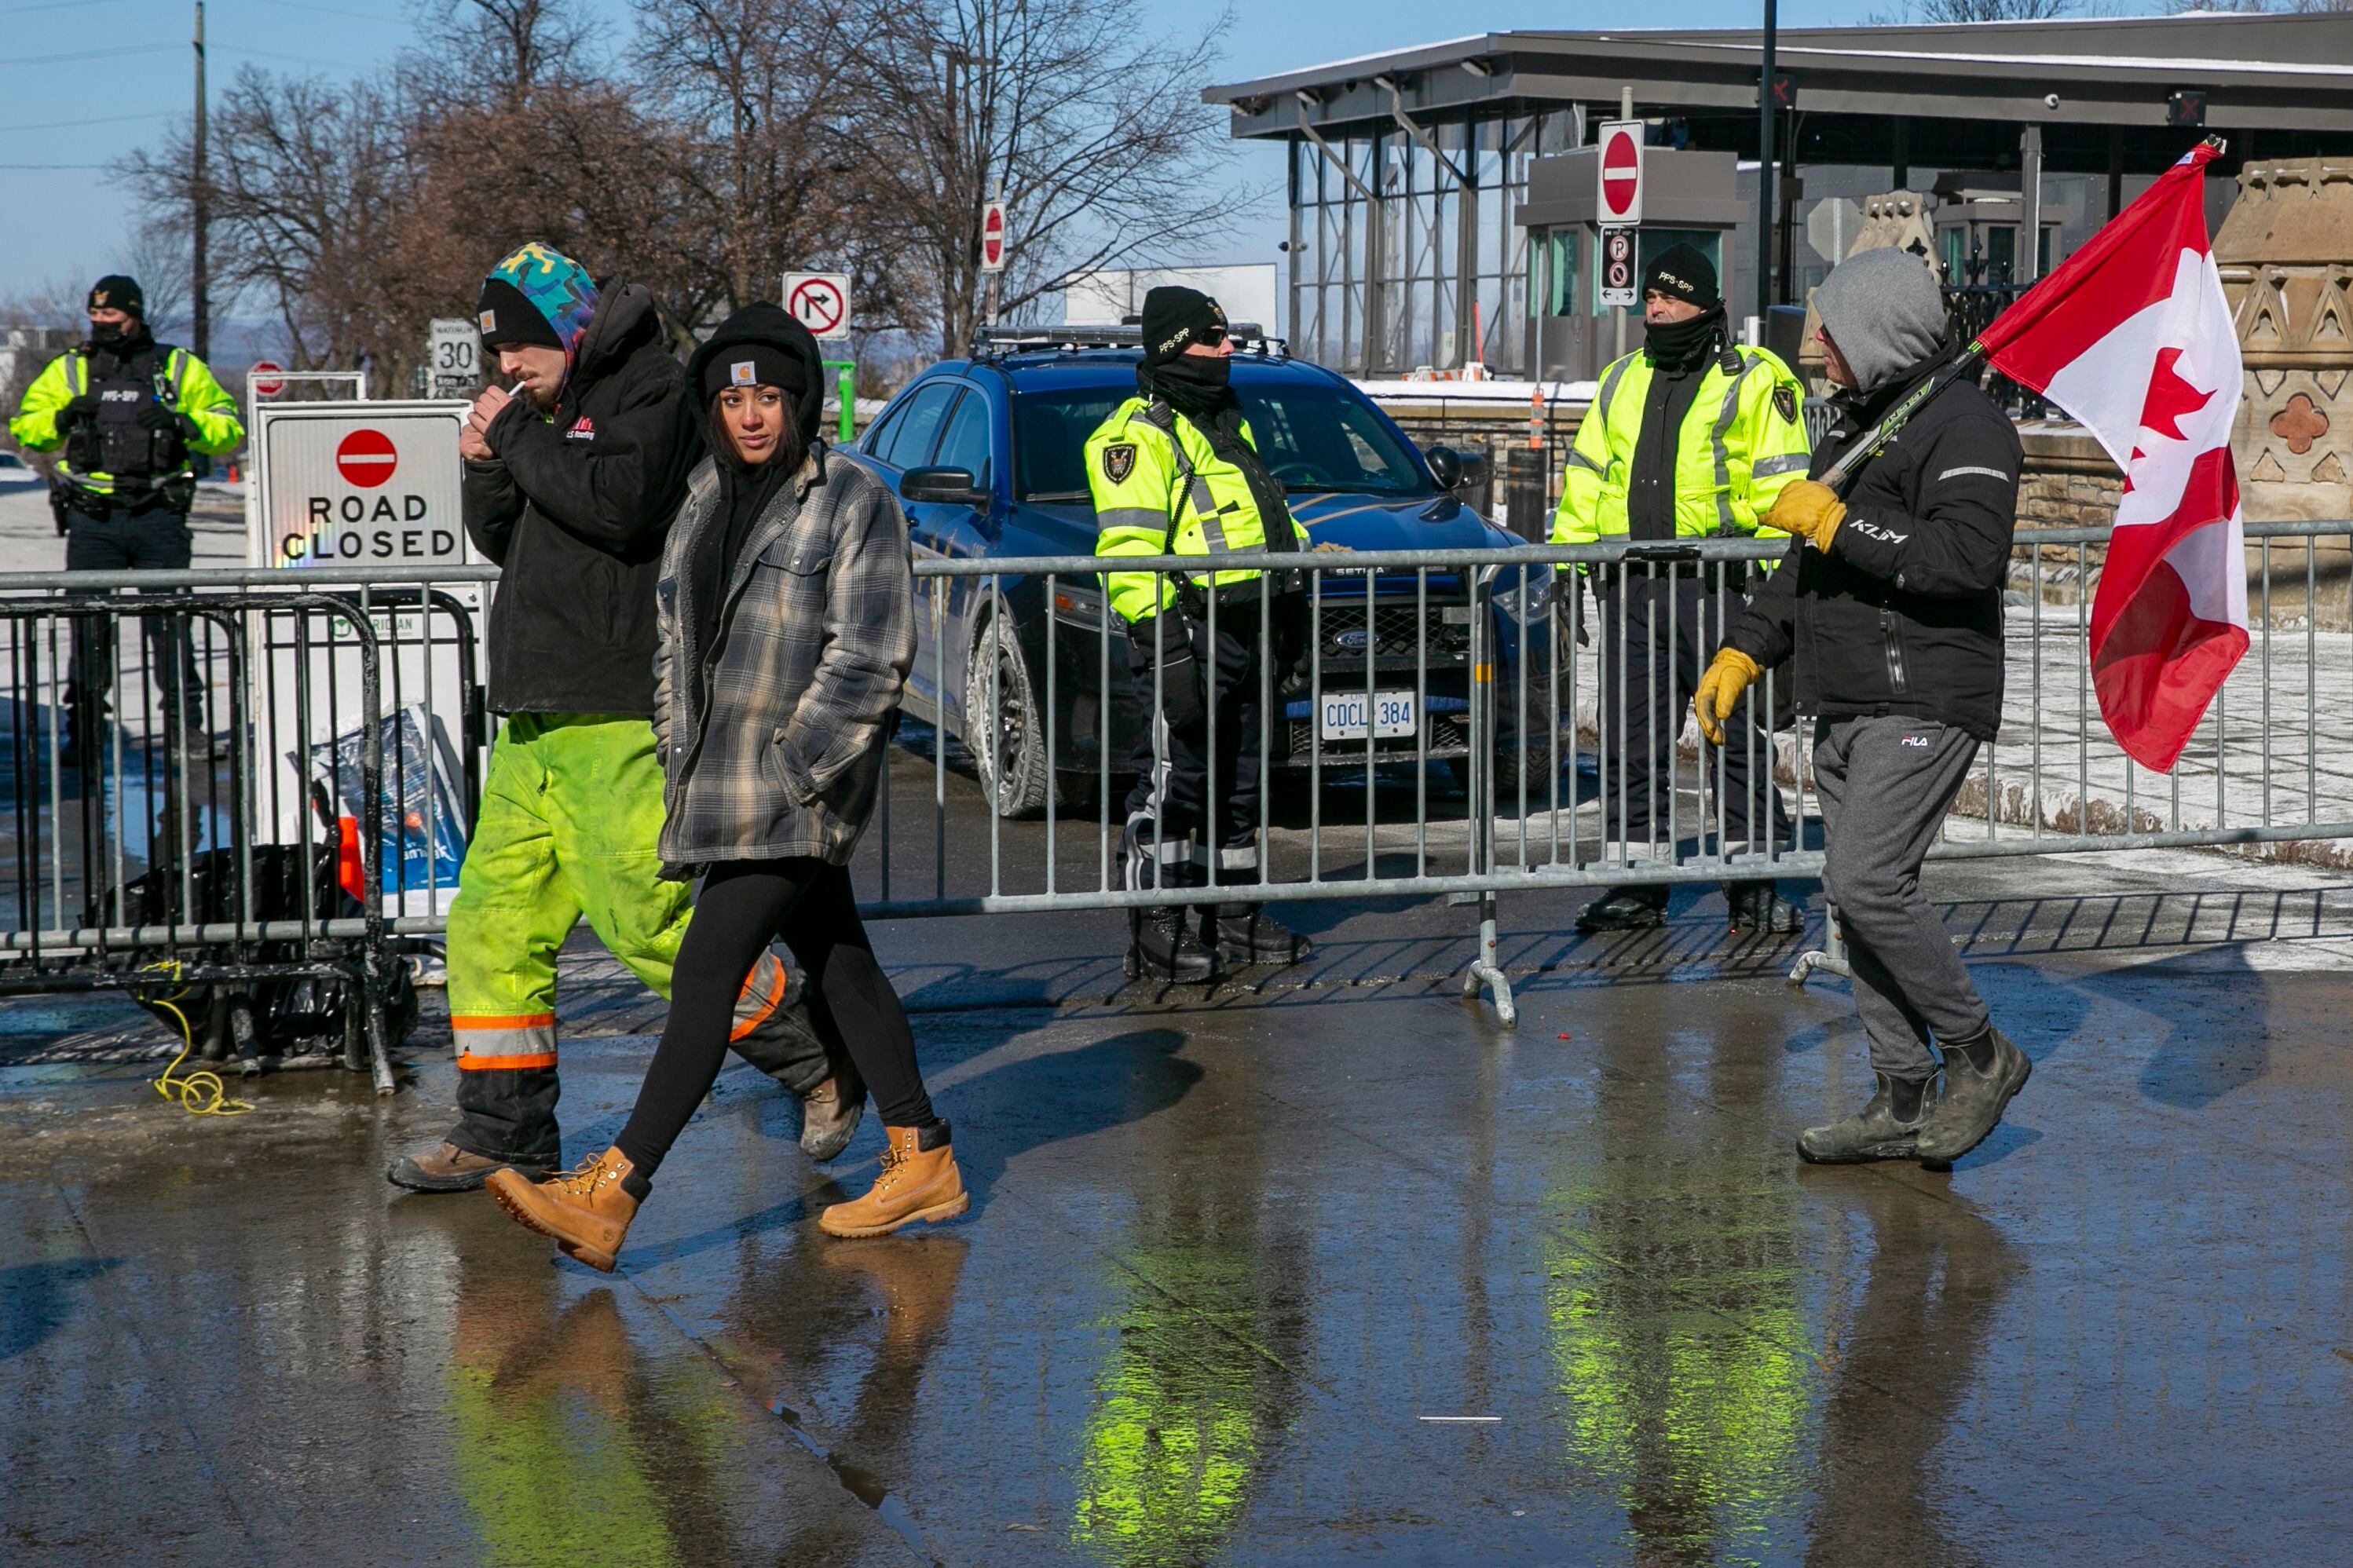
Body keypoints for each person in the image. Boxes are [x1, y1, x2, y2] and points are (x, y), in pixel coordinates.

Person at [486, 302, 959, 1268]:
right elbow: (673, 641)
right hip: (717, 781)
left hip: (792, 786)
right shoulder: (703, 494)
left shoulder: (850, 495)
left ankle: (613, 1189)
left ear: (798, 404)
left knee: (705, 971)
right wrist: (676, 747)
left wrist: (794, 768)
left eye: (769, 398)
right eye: (734, 398)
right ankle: (922, 1153)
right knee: (839, 959)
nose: (750, 415)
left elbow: (870, 654)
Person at [388, 245, 852, 1193]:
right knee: (491, 922)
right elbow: (510, 535)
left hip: (613, 705)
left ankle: (816, 1058)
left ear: (567, 330)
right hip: (533, 712)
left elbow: (619, 507)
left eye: (518, 346)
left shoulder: (654, 390)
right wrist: (485, 466)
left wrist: (515, 437)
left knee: (649, 921)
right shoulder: (545, 410)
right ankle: (503, 1129)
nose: (505, 365)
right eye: (496, 351)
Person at [1696, 246, 2033, 1165]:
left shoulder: (1964, 424)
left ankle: (1980, 1054)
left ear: (1879, 330)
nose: (1815, 343)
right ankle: (1899, 1093)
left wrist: (1840, 521)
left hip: (1923, 692)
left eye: (1830, 327)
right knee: (1855, 898)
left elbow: (1964, 557)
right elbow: (1802, 569)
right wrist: (1742, 651)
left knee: (1866, 880)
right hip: (1843, 697)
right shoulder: (1858, 425)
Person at [1550, 243, 1810, 938]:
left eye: (1668, 297)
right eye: (1649, 297)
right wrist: (1569, 563)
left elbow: (1786, 485)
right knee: (1629, 737)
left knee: (1736, 732)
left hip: (1719, 582)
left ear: (1702, 302)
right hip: (1631, 585)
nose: (1655, 308)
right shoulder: (1621, 378)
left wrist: (1773, 577)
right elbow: (1586, 478)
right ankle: (1637, 881)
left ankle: (1752, 883)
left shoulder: (1754, 377)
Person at [1085, 286, 1314, 982]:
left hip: (1247, 625)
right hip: (1187, 631)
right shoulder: (1136, 436)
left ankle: (1232, 911)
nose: (1227, 349)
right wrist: (1167, 649)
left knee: (1240, 783)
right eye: (1212, 339)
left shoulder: (1223, 423)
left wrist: (1295, 601)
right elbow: (1130, 555)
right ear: (1173, 348)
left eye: (1226, 336)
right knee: (1174, 782)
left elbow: (1268, 523)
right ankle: (1156, 922)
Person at [6, 275, 243, 753]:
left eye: (111, 314)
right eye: (95, 315)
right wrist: (61, 417)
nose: (102, 323)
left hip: (158, 513)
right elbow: (28, 428)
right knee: (88, 627)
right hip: (93, 518)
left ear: (134, 314)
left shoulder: (176, 366)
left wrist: (183, 422)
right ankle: (85, 732)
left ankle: (184, 728)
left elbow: (228, 428)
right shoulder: (71, 368)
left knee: (171, 625)